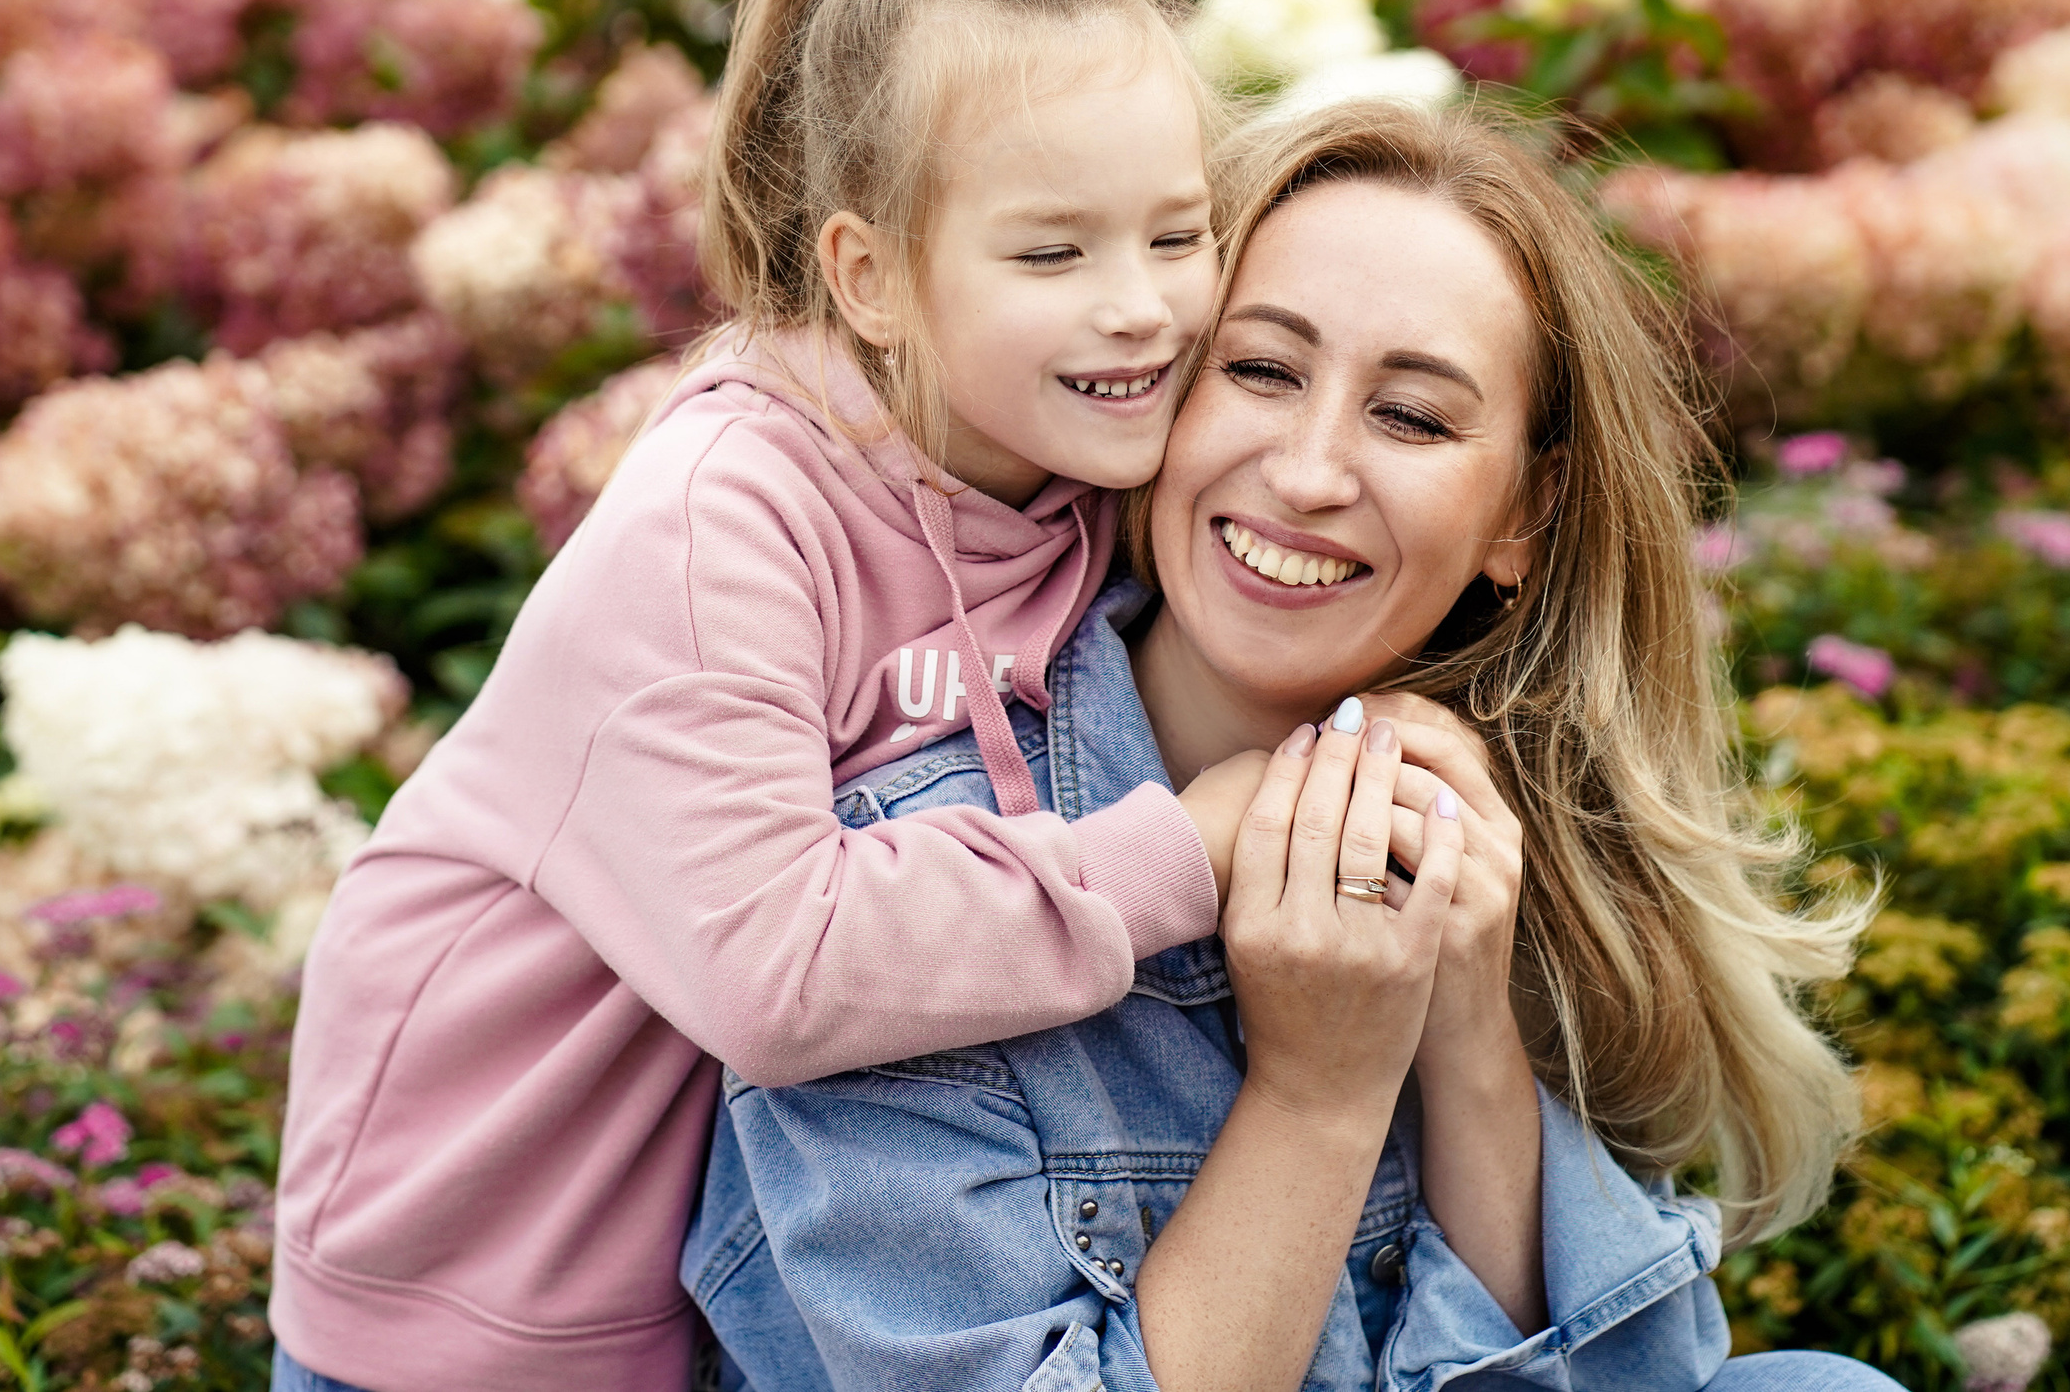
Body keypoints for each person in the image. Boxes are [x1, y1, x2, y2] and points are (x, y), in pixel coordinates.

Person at [271, 0, 1348, 1392]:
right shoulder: (723, 520)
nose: (1143, 308)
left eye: (1177, 238)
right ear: (871, 276)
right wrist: (1193, 844)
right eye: (1054, 252)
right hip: (482, 1270)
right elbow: (776, 971)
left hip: (745, 1264)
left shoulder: (1065, 457)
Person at [691, 99, 1890, 1392]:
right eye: (1260, 371)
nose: (1310, 471)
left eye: (1414, 419)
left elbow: (1643, 1380)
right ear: (1149, 395)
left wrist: (1463, 1023)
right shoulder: (909, 894)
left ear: (1523, 519)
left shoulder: (1477, 821)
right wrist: (1319, 1094)